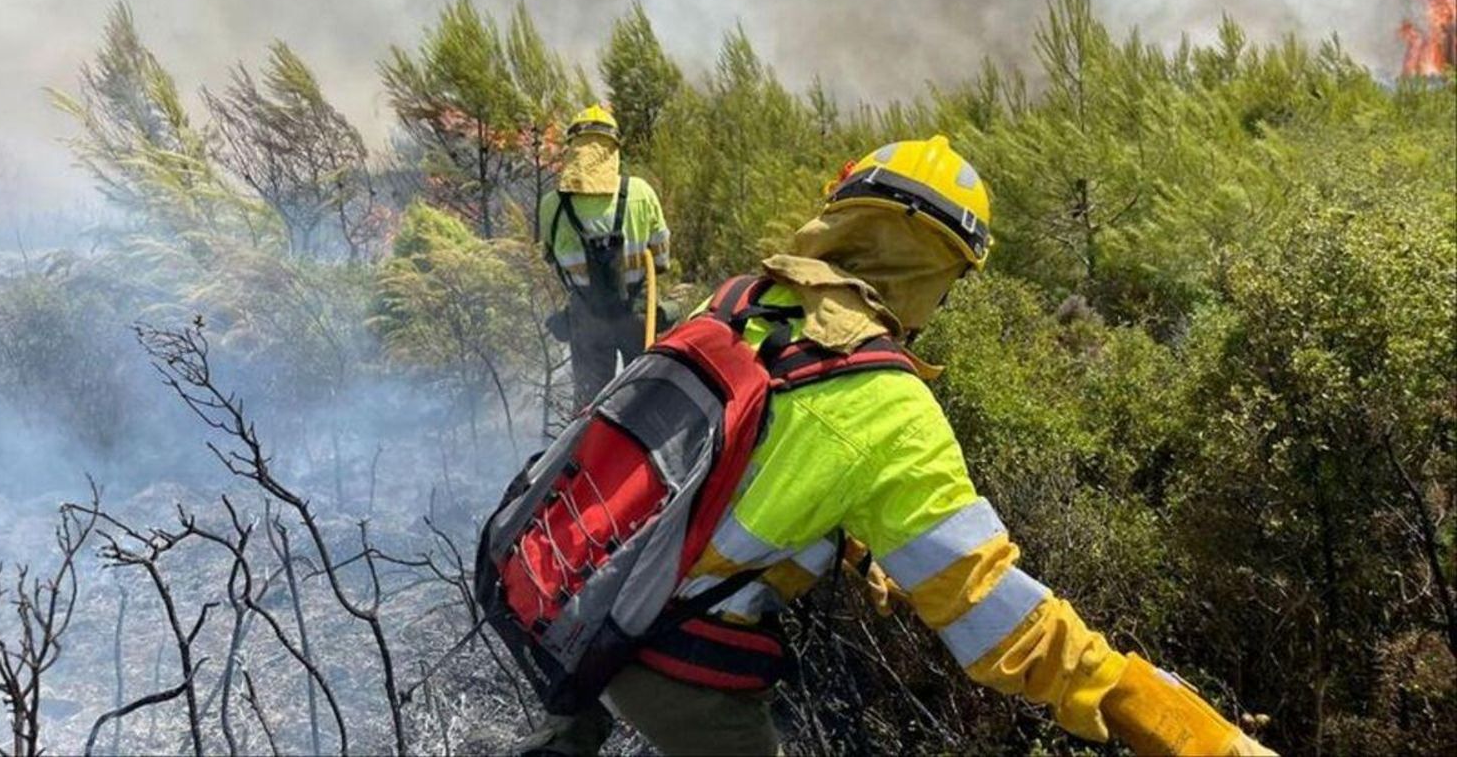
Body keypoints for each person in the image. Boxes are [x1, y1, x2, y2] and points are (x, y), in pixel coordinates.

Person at [521, 138, 1273, 756]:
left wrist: (848, 545)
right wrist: (1123, 695)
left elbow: (743, 462)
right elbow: (991, 612)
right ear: (930, 269)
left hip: (580, 607)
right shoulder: (890, 406)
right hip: (675, 663)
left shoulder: (741, 299)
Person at [541, 105, 671, 406]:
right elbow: (661, 261)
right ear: (613, 150)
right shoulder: (640, 192)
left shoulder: (552, 205)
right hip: (639, 315)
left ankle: (590, 451)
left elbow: (552, 261)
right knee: (647, 402)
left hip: (587, 321)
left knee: (590, 406)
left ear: (572, 150)